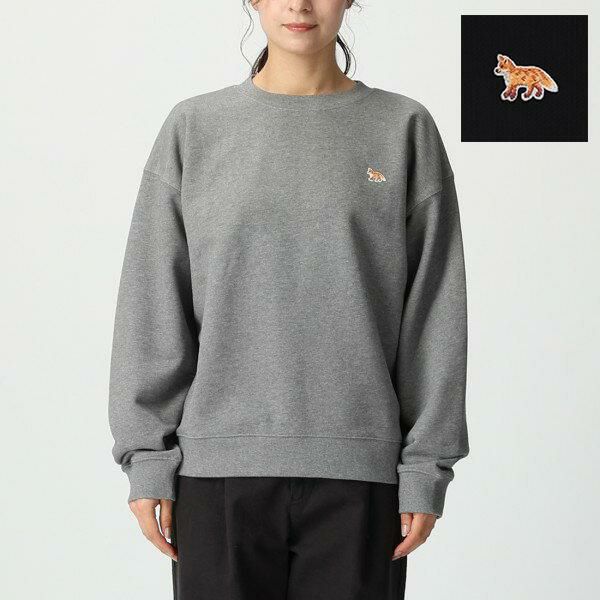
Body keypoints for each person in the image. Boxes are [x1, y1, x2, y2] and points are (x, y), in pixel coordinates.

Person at [108, 1, 469, 598]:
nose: (299, 4)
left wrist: (426, 467)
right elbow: (153, 300)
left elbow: (435, 311)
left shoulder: (402, 127)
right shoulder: (195, 128)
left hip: (361, 475)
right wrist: (147, 457)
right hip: (216, 475)